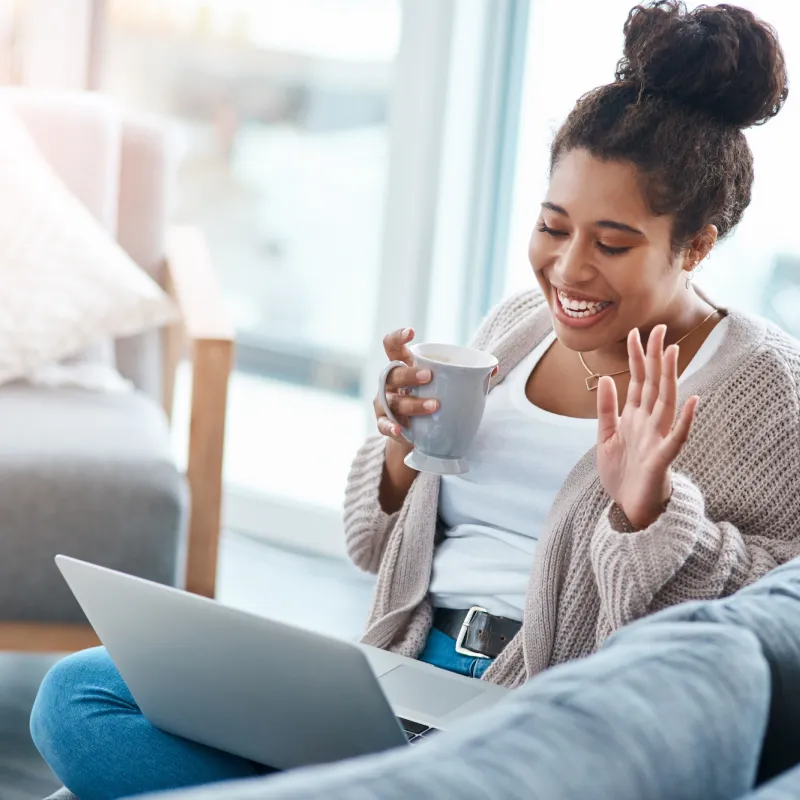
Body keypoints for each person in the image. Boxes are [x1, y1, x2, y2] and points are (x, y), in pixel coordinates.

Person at [29, 2, 800, 799]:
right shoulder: (517, 327)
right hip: (397, 677)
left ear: (698, 243)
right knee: (81, 697)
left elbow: (772, 625)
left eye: (611, 244)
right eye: (551, 226)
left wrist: (652, 513)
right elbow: (372, 545)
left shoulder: (766, 389)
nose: (568, 270)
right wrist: (400, 453)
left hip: (532, 715)